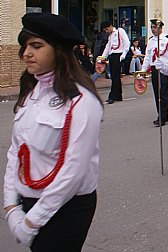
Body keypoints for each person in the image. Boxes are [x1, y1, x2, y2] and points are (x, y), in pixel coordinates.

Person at [4, 13, 102, 251]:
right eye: (25, 45)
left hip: (66, 207)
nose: (27, 53)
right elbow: (17, 151)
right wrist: (11, 207)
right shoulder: (32, 91)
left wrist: (31, 221)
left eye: (36, 46)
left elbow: (73, 171)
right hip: (28, 202)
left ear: (59, 51)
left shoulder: (82, 101)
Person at [141, 19, 168, 127]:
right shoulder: (151, 41)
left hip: (164, 69)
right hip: (155, 69)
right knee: (157, 92)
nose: (153, 30)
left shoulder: (167, 40)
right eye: (152, 27)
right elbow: (147, 57)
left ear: (161, 28)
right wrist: (142, 70)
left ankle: (163, 116)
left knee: (163, 92)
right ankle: (160, 112)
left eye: (155, 27)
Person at [100, 20, 130, 104]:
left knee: (115, 76)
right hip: (112, 55)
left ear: (110, 26)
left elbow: (126, 42)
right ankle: (118, 95)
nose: (106, 31)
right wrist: (103, 56)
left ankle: (112, 96)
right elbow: (108, 46)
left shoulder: (120, 31)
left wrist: (123, 54)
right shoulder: (110, 36)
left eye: (106, 29)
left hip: (118, 55)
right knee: (114, 76)